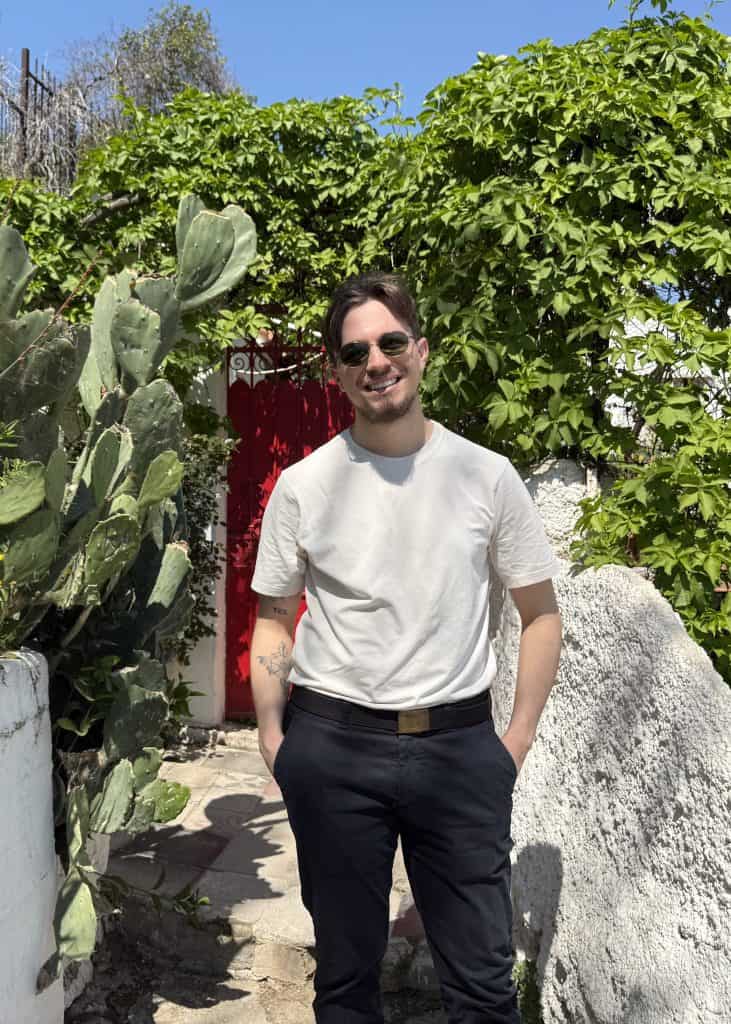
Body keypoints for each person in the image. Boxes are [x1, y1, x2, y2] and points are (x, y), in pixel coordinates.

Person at [249, 272, 562, 1024]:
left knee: (483, 988)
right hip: (331, 746)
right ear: (337, 372)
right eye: (355, 352)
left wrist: (512, 744)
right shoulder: (305, 484)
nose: (376, 362)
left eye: (390, 343)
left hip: (459, 750)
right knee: (344, 983)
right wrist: (273, 737)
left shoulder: (486, 477)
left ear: (420, 351)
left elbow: (540, 615)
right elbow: (273, 617)